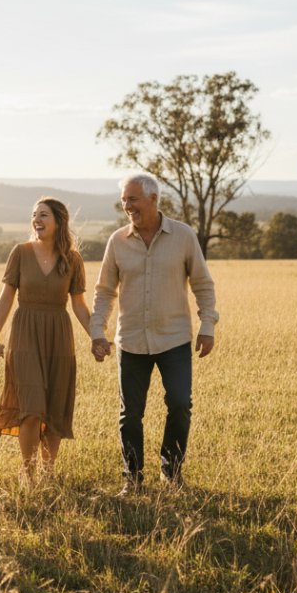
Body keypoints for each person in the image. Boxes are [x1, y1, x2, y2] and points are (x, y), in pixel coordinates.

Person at [90, 174, 218, 493]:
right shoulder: (117, 241)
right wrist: (97, 331)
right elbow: (105, 290)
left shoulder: (183, 236)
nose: (126, 205)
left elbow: (202, 284)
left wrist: (207, 325)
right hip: (131, 341)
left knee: (179, 404)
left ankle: (170, 473)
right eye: (124, 199)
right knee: (130, 414)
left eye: (132, 199)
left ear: (153, 199)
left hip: (174, 338)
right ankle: (132, 480)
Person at [0, 197, 93, 485]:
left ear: (59, 221)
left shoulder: (72, 259)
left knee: (55, 405)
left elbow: (80, 305)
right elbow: (6, 296)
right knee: (31, 407)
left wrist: (97, 336)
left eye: (44, 215)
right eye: (34, 214)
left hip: (59, 335)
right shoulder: (20, 253)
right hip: (25, 333)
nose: (37, 219)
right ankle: (28, 471)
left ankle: (48, 472)